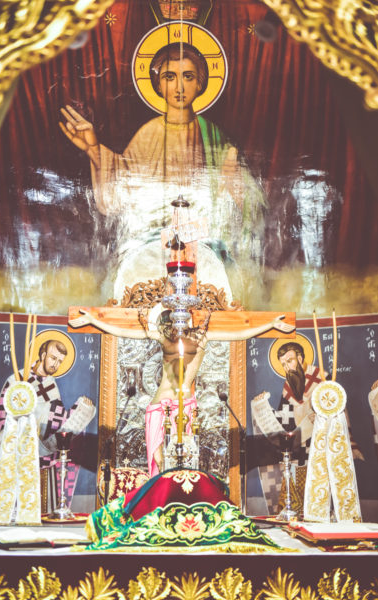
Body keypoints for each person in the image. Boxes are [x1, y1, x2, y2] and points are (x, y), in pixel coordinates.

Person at [59, 43, 265, 299]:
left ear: (200, 83)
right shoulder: (148, 135)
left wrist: (235, 183)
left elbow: (253, 207)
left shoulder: (216, 139)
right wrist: (93, 148)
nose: (179, 87)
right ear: (158, 85)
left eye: (188, 76)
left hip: (205, 253)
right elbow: (118, 194)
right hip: (152, 252)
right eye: (169, 77)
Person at [69, 306, 294, 476]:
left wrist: (270, 325)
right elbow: (123, 332)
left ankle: (179, 500)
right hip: (159, 406)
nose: (179, 322)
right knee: (159, 458)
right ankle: (160, 501)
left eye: (184, 317)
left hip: (186, 407)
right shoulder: (164, 338)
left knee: (184, 459)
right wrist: (94, 321)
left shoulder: (201, 338)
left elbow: (240, 334)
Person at [251, 341, 363, 514]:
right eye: (283, 364)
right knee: (296, 503)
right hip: (300, 452)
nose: (287, 367)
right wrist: (263, 407)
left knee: (322, 499)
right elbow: (284, 420)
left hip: (323, 448)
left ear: (300, 358)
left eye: (289, 361)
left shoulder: (323, 379)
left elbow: (339, 412)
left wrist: (322, 417)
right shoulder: (289, 387)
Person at [0, 339, 95, 497]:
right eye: (53, 358)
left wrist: (81, 409)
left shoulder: (51, 387)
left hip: (40, 456)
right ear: (43, 355)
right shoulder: (17, 380)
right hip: (14, 453)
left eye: (60, 361)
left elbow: (58, 423)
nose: (55, 364)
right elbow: (0, 419)